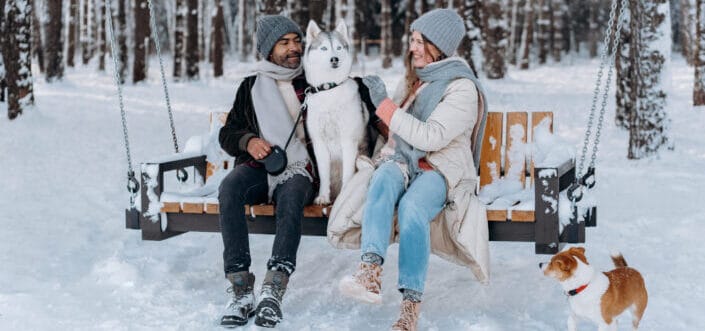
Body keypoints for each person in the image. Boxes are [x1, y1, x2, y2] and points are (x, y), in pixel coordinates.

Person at [335, 9, 490, 331]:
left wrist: (386, 105)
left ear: (439, 45)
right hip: (402, 160)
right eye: (412, 40)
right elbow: (394, 129)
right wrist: (369, 105)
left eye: (420, 41)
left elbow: (429, 136)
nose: (413, 48)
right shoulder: (414, 81)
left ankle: (410, 305)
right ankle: (370, 272)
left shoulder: (462, 88)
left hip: (438, 169)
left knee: (412, 207)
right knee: (381, 179)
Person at [216, 15, 313, 328]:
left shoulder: (315, 81)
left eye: (297, 40)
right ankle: (241, 289)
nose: (294, 48)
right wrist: (249, 140)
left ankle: (274, 287)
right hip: (260, 166)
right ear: (269, 50)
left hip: (303, 169)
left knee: (293, 191)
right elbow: (228, 133)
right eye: (284, 43)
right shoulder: (251, 86)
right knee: (230, 188)